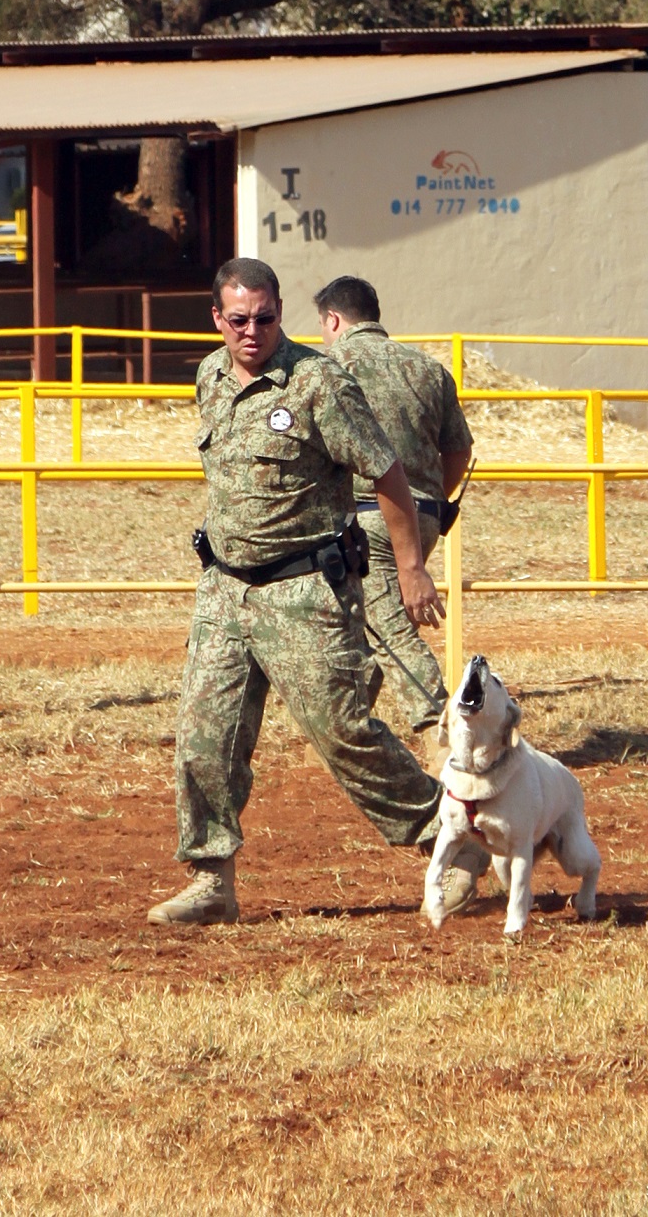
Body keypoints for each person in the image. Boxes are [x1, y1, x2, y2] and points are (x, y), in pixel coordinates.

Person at [148, 257, 488, 927]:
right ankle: (212, 879)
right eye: (238, 320)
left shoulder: (317, 382)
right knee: (204, 738)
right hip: (225, 588)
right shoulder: (209, 376)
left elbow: (387, 473)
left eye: (265, 318)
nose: (252, 332)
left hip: (303, 589)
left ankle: (452, 841)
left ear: (281, 314)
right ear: (217, 319)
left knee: (344, 734)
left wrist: (412, 566)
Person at [315, 275, 473, 734]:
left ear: (333, 319)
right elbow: (459, 450)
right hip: (424, 518)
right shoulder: (428, 368)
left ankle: (447, 730)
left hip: (366, 523)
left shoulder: (327, 368)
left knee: (391, 635)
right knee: (370, 630)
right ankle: (342, 735)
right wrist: (428, 501)